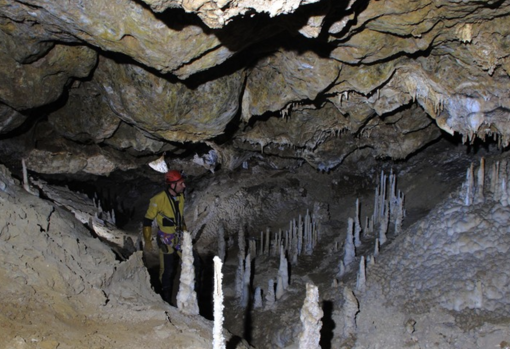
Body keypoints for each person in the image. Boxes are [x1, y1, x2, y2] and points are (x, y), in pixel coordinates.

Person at [142, 169, 192, 305]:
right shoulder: (158, 200)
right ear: (172, 185)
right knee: (168, 271)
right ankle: (165, 300)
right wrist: (148, 241)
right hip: (166, 239)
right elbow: (147, 221)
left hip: (178, 237)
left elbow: (180, 218)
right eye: (181, 183)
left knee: (193, 263)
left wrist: (185, 234)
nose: (184, 186)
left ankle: (191, 297)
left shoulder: (181, 197)